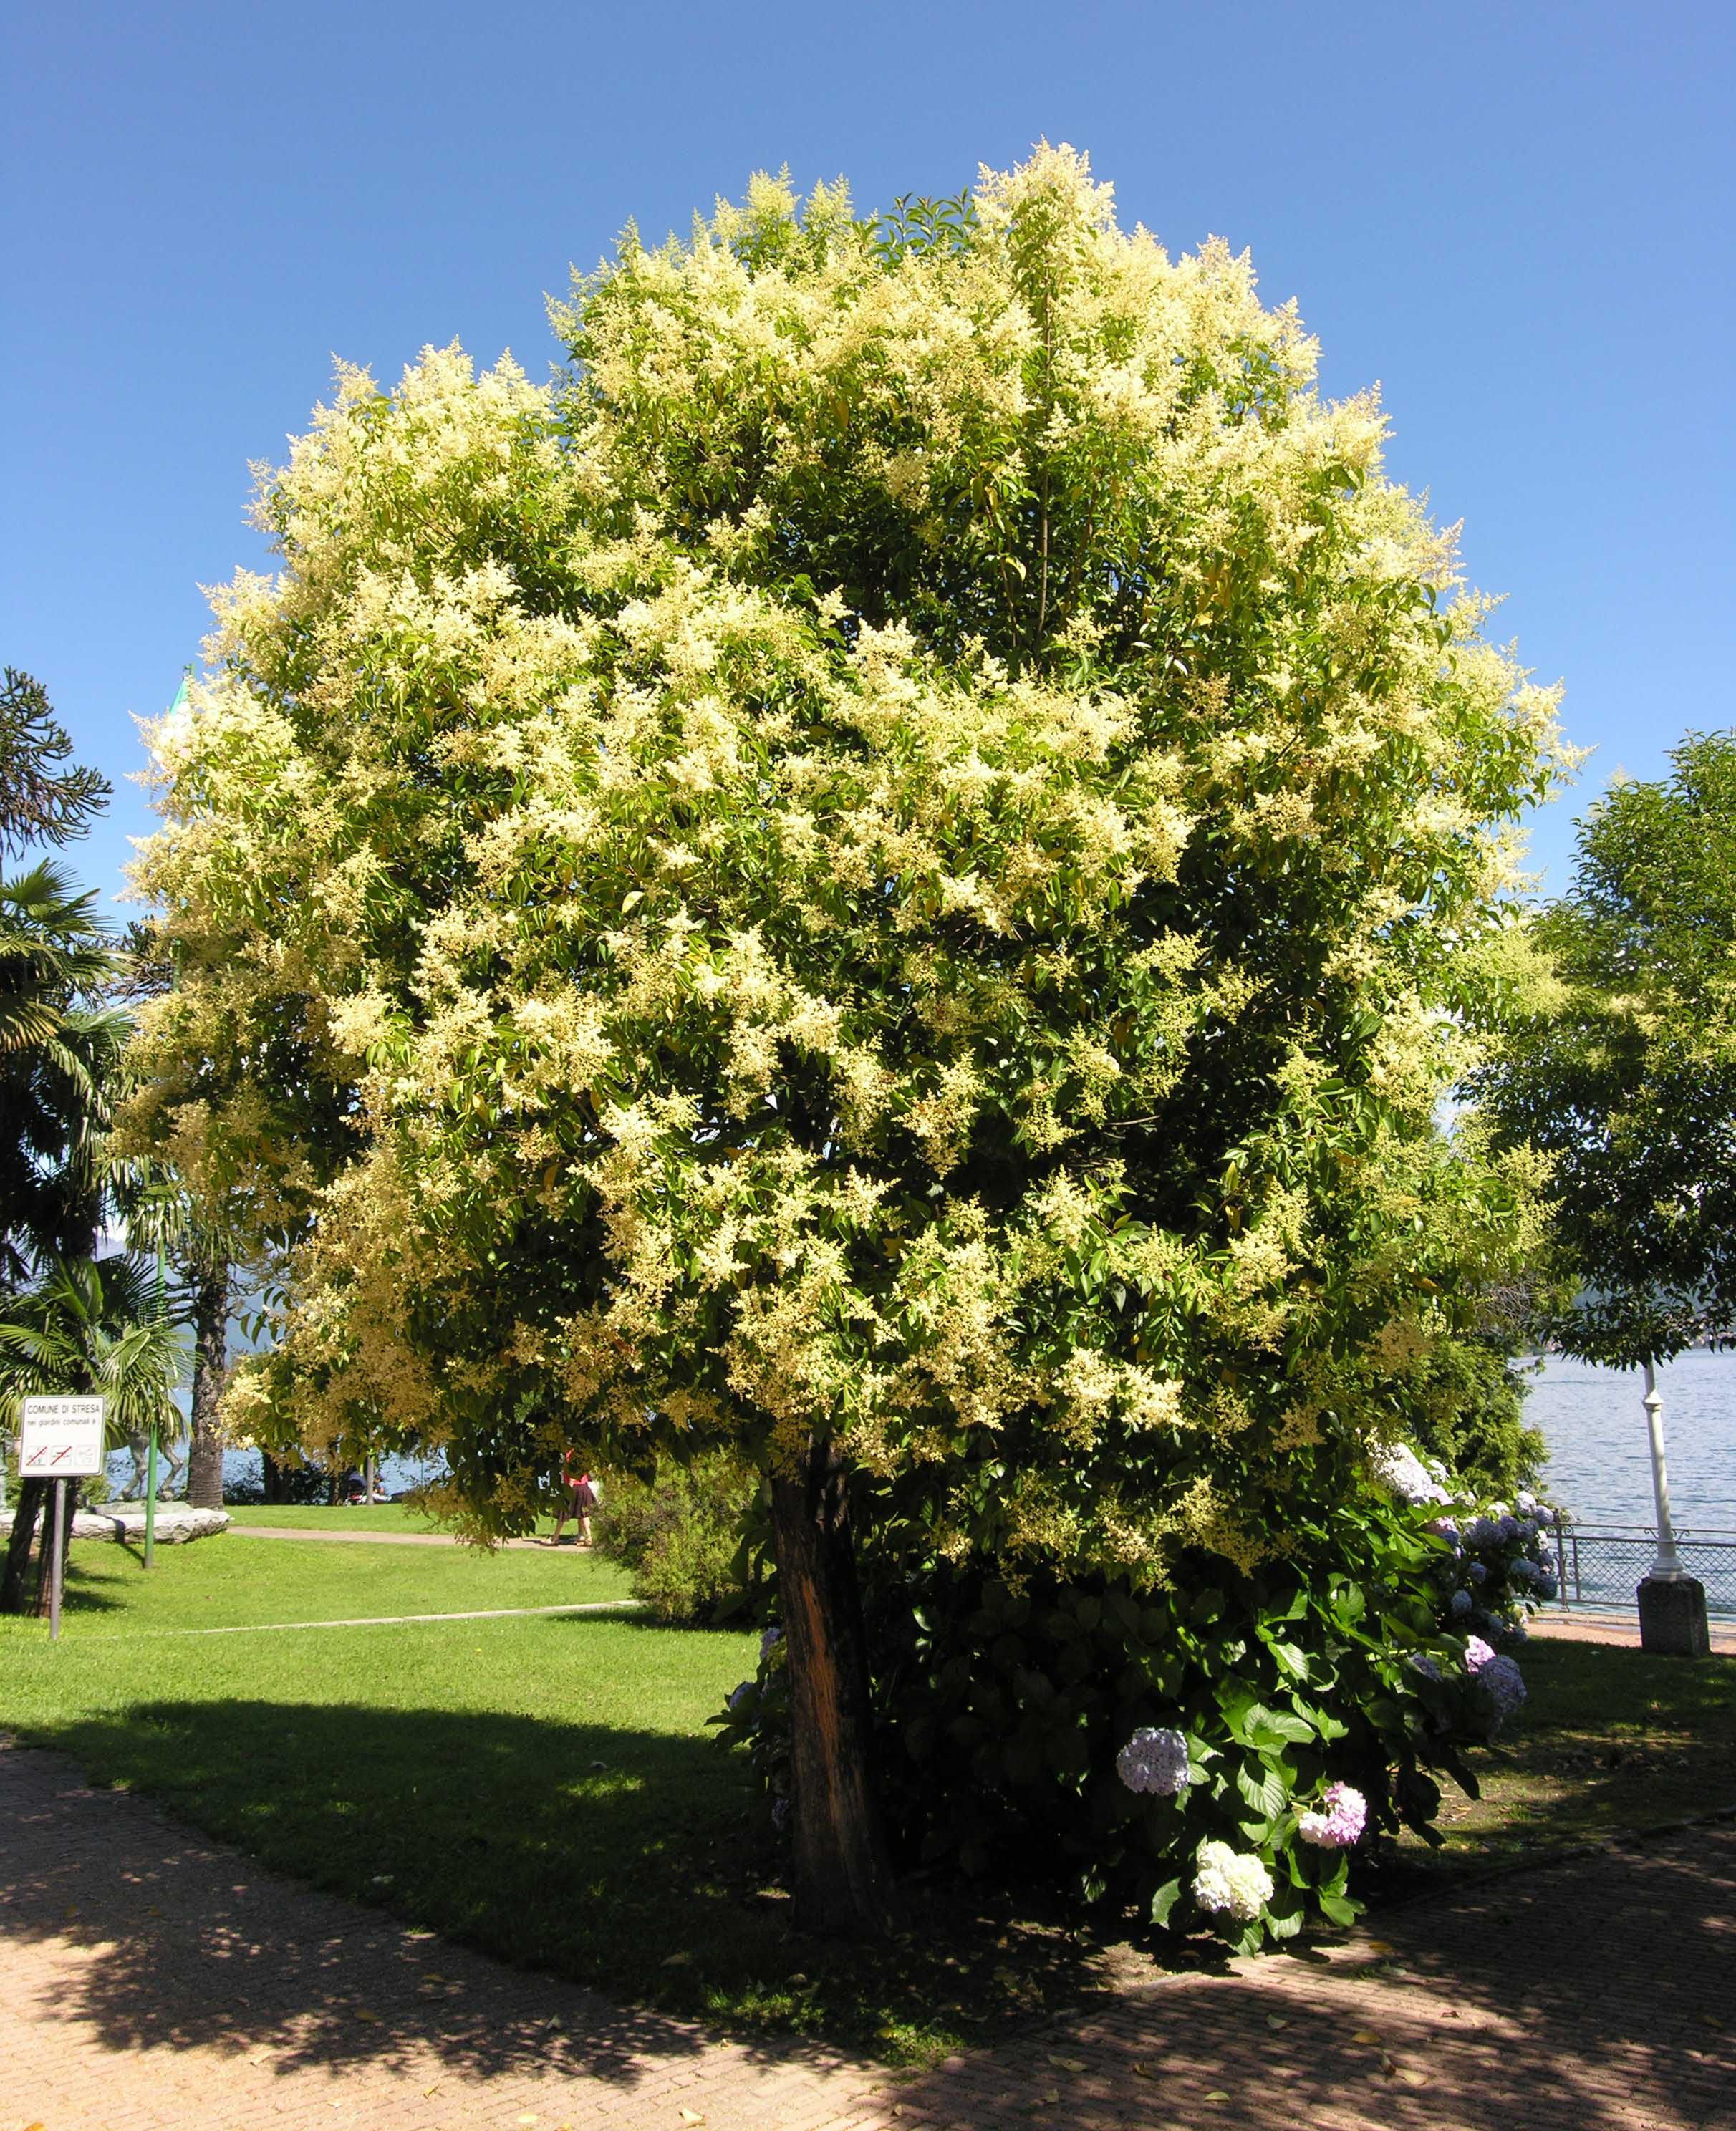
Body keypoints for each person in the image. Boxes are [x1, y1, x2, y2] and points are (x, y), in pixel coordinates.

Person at [549, 1451, 597, 1547]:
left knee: (563, 1512)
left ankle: (555, 1538)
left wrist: (568, 1490)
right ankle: (587, 1538)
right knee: (584, 1514)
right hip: (584, 1487)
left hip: (575, 1487)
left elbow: (572, 1474)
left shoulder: (571, 1454)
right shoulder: (583, 1454)